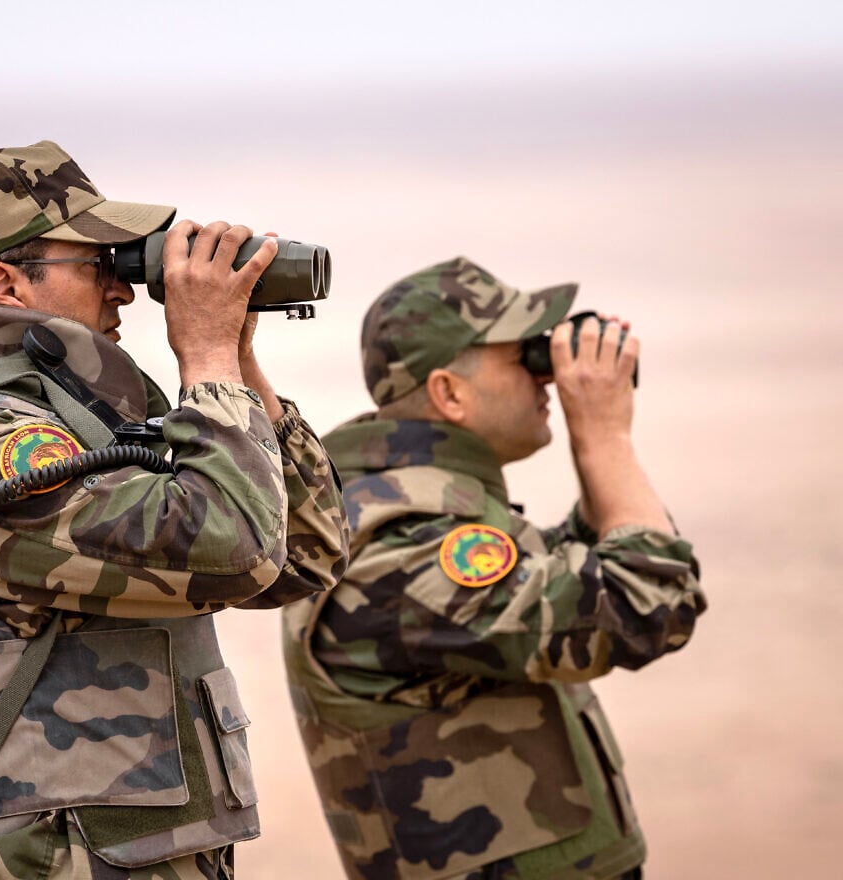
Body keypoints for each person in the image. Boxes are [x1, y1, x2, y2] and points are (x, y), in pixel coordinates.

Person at [0, 140, 348, 880]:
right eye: (98, 266)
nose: (123, 290)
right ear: (5, 283)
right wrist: (206, 359)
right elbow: (237, 549)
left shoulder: (73, 424)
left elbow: (300, 558)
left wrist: (237, 359)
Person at [282, 257, 705, 880]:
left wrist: (596, 454)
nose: (547, 379)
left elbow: (562, 575)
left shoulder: (409, 502)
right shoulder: (404, 544)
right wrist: (604, 437)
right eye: (525, 358)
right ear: (449, 392)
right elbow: (648, 606)